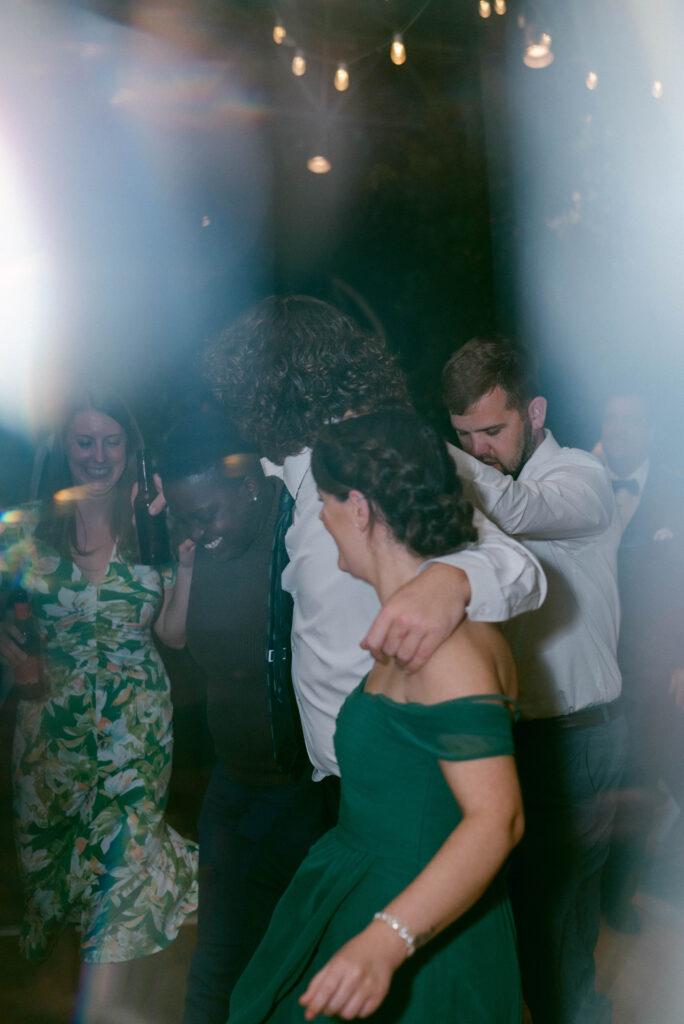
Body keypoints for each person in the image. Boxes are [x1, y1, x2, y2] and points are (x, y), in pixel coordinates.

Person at [200, 295, 544, 960]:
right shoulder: (288, 464)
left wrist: (455, 580)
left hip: (394, 786)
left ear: (266, 392)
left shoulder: (383, 456)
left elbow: (522, 567)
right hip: (325, 791)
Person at [229, 408, 524, 1024]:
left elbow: (498, 820)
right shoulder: (417, 625)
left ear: (358, 509)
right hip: (367, 886)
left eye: (325, 502)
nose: (322, 519)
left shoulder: (444, 648)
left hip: (414, 919)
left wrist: (386, 941)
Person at [442, 335, 626, 1024]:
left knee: (548, 925)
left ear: (536, 412)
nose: (481, 448)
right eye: (463, 435)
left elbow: (519, 512)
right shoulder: (476, 494)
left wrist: (440, 456)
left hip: (579, 741)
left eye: (493, 430)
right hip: (514, 735)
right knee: (547, 927)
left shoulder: (583, 477)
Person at [0, 390, 198, 966]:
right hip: (48, 724)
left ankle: (113, 984)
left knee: (124, 860)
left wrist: (185, 567)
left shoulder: (152, 522)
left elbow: (176, 635)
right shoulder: (28, 528)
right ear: (65, 447)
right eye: (84, 440)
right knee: (46, 854)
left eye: (111, 441)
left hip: (135, 722)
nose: (98, 454)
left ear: (129, 447)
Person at [156, 410, 309, 1024]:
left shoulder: (302, 529)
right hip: (232, 789)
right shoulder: (197, 539)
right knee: (215, 969)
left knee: (301, 971)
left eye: (205, 513)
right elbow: (184, 634)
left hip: (307, 799)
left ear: (249, 484)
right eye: (182, 514)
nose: (195, 529)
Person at [596, 391, 684, 932]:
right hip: (597, 661)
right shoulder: (582, 480)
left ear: (649, 432)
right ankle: (602, 897)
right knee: (611, 784)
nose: (619, 431)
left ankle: (621, 896)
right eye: (612, 419)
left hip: (660, 667)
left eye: (631, 423)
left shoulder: (676, 490)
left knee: (648, 778)